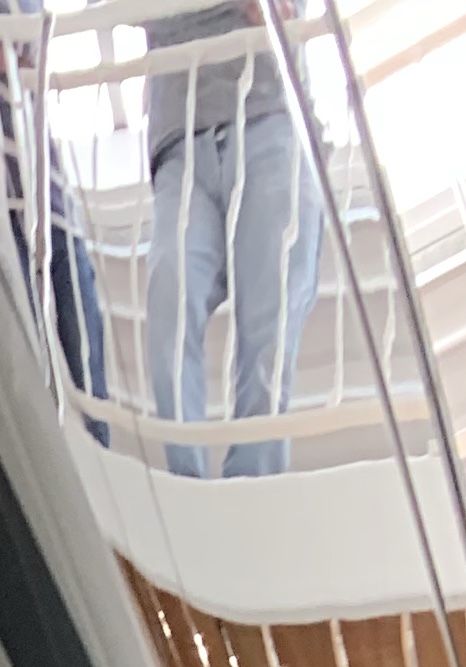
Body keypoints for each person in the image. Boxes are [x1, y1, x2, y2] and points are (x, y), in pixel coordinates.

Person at [142, 5, 323, 477]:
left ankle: (252, 484)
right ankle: (190, 487)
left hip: (269, 116)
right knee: (168, 297)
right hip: (179, 143)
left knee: (270, 327)